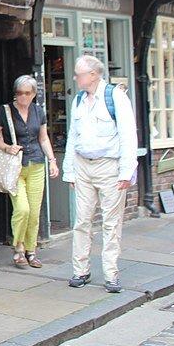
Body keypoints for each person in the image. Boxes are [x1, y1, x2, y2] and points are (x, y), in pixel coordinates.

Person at [62, 55, 138, 293]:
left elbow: (128, 135)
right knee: (82, 221)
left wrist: (127, 171)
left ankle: (111, 274)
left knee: (111, 223)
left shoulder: (115, 96)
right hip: (83, 165)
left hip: (109, 166)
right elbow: (72, 137)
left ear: (93, 75)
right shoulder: (78, 100)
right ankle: (80, 270)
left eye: (79, 74)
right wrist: (70, 171)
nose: (75, 78)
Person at [0, 75, 60, 268]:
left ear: (34, 94)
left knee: (34, 213)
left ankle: (31, 251)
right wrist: (6, 147)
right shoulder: (4, 112)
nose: (23, 97)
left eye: (27, 93)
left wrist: (52, 160)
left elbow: (43, 138)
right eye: (19, 93)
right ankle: (18, 247)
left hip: (36, 164)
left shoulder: (38, 112)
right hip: (15, 167)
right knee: (22, 209)